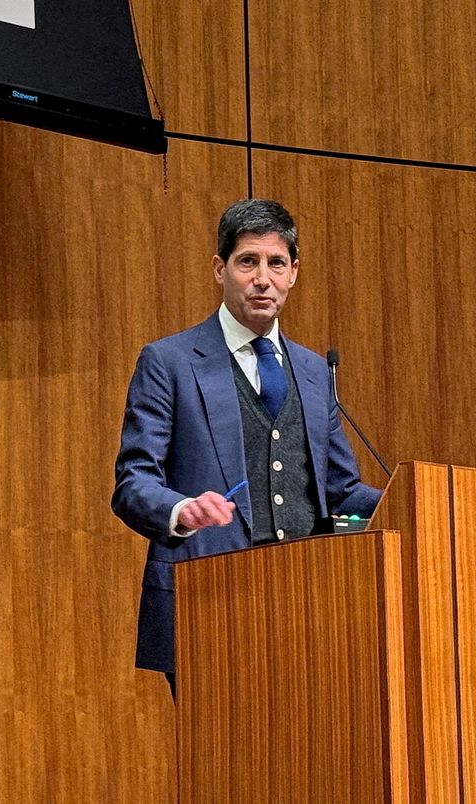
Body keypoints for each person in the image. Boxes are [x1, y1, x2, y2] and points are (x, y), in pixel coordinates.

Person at [111, 198, 383, 694]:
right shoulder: (169, 362)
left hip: (312, 607)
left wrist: (412, 498)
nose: (263, 279)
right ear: (221, 269)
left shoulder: (314, 372)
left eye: (276, 263)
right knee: (222, 765)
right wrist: (182, 509)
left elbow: (341, 492)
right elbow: (133, 482)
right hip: (210, 602)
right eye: (247, 262)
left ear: (294, 273)